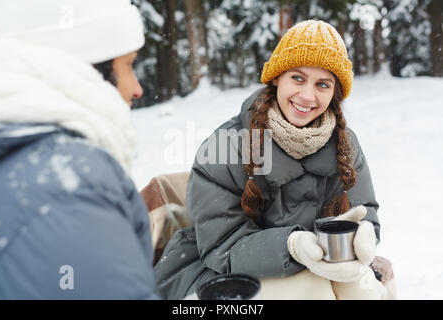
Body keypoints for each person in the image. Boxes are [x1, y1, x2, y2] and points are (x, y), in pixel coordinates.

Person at [154, 20, 392, 300]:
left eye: (323, 84)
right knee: (313, 292)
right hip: (217, 273)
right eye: (298, 78)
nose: (307, 95)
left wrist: (361, 237)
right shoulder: (226, 145)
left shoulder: (345, 144)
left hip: (315, 267)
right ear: (277, 77)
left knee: (363, 288)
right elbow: (223, 246)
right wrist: (291, 246)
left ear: (334, 93)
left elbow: (365, 213)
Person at [0, 0, 158, 299]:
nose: (137, 88)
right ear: (83, 69)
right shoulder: (67, 187)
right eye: (129, 66)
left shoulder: (21, 164)